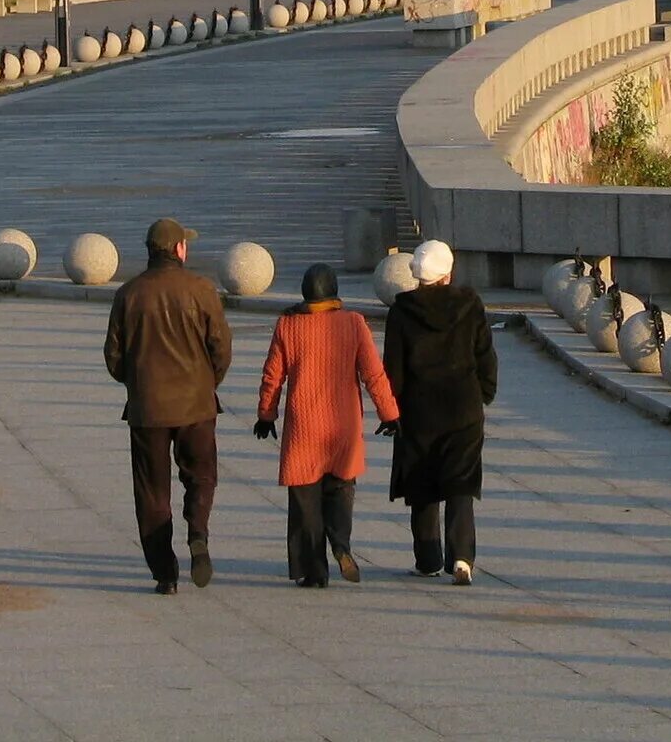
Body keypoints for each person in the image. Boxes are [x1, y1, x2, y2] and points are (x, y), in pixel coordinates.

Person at [103, 216, 232, 594]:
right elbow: (221, 348)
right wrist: (208, 383)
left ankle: (165, 573)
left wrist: (139, 384)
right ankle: (198, 534)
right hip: (196, 406)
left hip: (148, 411)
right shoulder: (201, 289)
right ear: (179, 249)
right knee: (201, 475)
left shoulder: (128, 294)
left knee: (152, 491)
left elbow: (114, 356)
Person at [255, 262, 399, 588]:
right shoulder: (354, 323)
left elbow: (272, 377)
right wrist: (389, 414)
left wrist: (266, 415)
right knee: (341, 490)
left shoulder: (288, 326)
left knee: (305, 501)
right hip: (343, 424)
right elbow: (373, 374)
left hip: (304, 426)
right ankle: (341, 543)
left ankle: (313, 571)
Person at [384, 239, 496, 585]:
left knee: (422, 481)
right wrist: (484, 393)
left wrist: (392, 407)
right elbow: (485, 353)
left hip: (419, 409)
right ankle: (462, 558)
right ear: (448, 272)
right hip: (463, 406)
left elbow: (393, 366)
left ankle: (428, 558)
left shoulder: (402, 310)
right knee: (460, 480)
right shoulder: (469, 304)